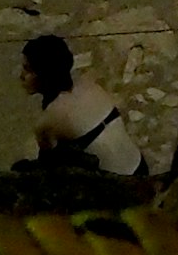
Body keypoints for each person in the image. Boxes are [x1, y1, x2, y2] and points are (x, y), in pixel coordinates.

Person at [21, 33, 143, 178]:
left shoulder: (48, 121)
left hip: (120, 186)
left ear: (44, 75)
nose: (22, 75)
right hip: (139, 167)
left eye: (28, 70)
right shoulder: (91, 86)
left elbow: (48, 167)